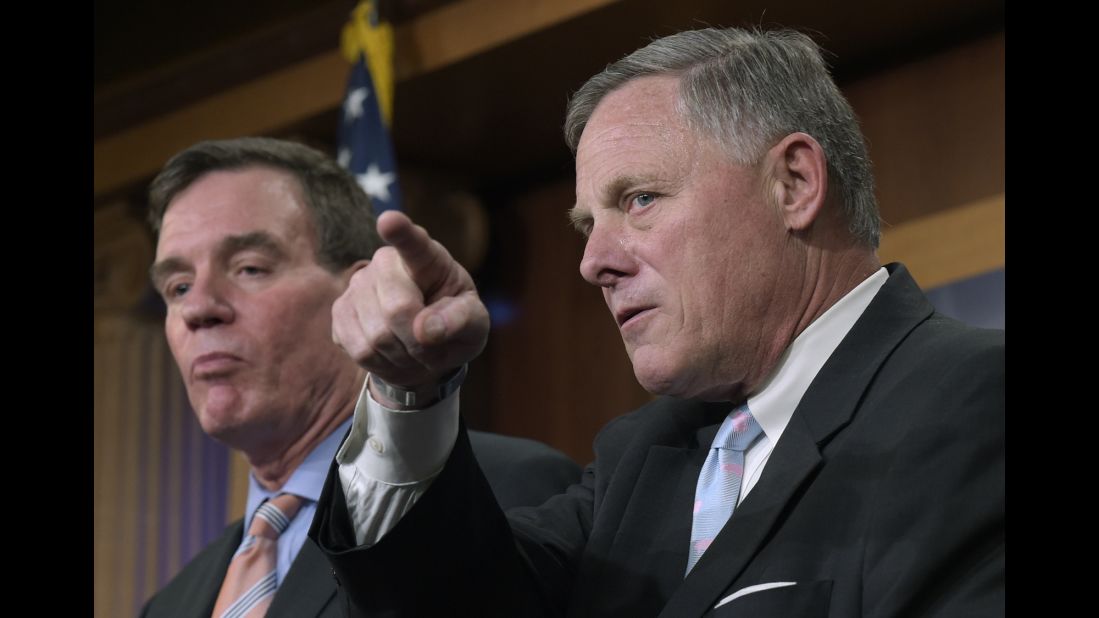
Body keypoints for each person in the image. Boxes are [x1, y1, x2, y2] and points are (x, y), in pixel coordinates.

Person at [311, 27, 1004, 617]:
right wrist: (411, 394)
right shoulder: (639, 457)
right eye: (588, 224)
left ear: (793, 183)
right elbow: (444, 602)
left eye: (639, 199)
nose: (592, 263)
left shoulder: (975, 401)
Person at [138, 137, 580, 617]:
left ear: (361, 293)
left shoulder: (504, 490)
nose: (198, 309)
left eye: (249, 269)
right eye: (178, 287)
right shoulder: (169, 604)